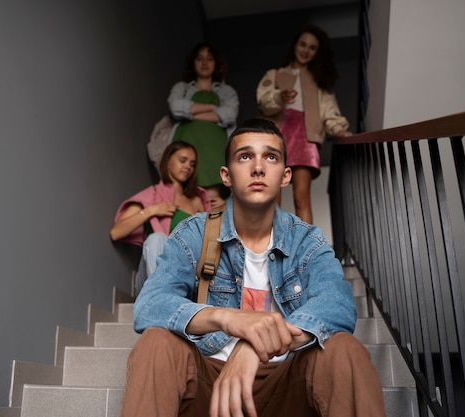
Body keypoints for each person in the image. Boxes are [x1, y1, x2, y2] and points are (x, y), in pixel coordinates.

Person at [120, 119, 386, 417]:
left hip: (285, 381)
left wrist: (254, 346)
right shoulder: (194, 233)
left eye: (270, 157)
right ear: (226, 175)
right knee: (156, 343)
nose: (258, 168)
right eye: (244, 156)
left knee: (344, 350)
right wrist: (228, 318)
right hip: (211, 383)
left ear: (285, 175)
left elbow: (337, 307)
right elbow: (150, 305)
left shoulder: (307, 240)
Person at [257, 24, 352, 224]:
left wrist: (339, 129)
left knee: (301, 198)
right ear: (295, 45)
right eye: (303, 44)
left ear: (318, 53)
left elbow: (329, 110)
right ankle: (273, 247)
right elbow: (263, 101)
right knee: (272, 197)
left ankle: (307, 250)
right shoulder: (275, 74)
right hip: (277, 135)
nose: (305, 50)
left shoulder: (320, 82)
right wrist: (280, 96)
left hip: (306, 138)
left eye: (312, 47)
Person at [110, 141, 210, 294]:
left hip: (186, 273)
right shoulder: (153, 195)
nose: (188, 167)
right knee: (156, 238)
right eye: (182, 160)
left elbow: (209, 240)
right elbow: (116, 233)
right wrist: (151, 210)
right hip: (151, 280)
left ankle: (173, 298)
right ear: (167, 162)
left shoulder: (196, 201)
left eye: (192, 164)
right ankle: (161, 299)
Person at [168, 42, 239, 202]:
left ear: (216, 63)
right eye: (200, 58)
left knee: (211, 199)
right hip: (186, 141)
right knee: (185, 196)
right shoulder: (182, 88)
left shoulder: (227, 91)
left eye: (209, 58)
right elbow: (175, 107)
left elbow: (229, 114)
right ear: (193, 63)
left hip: (215, 146)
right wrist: (211, 107)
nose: (205, 62)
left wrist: (191, 113)